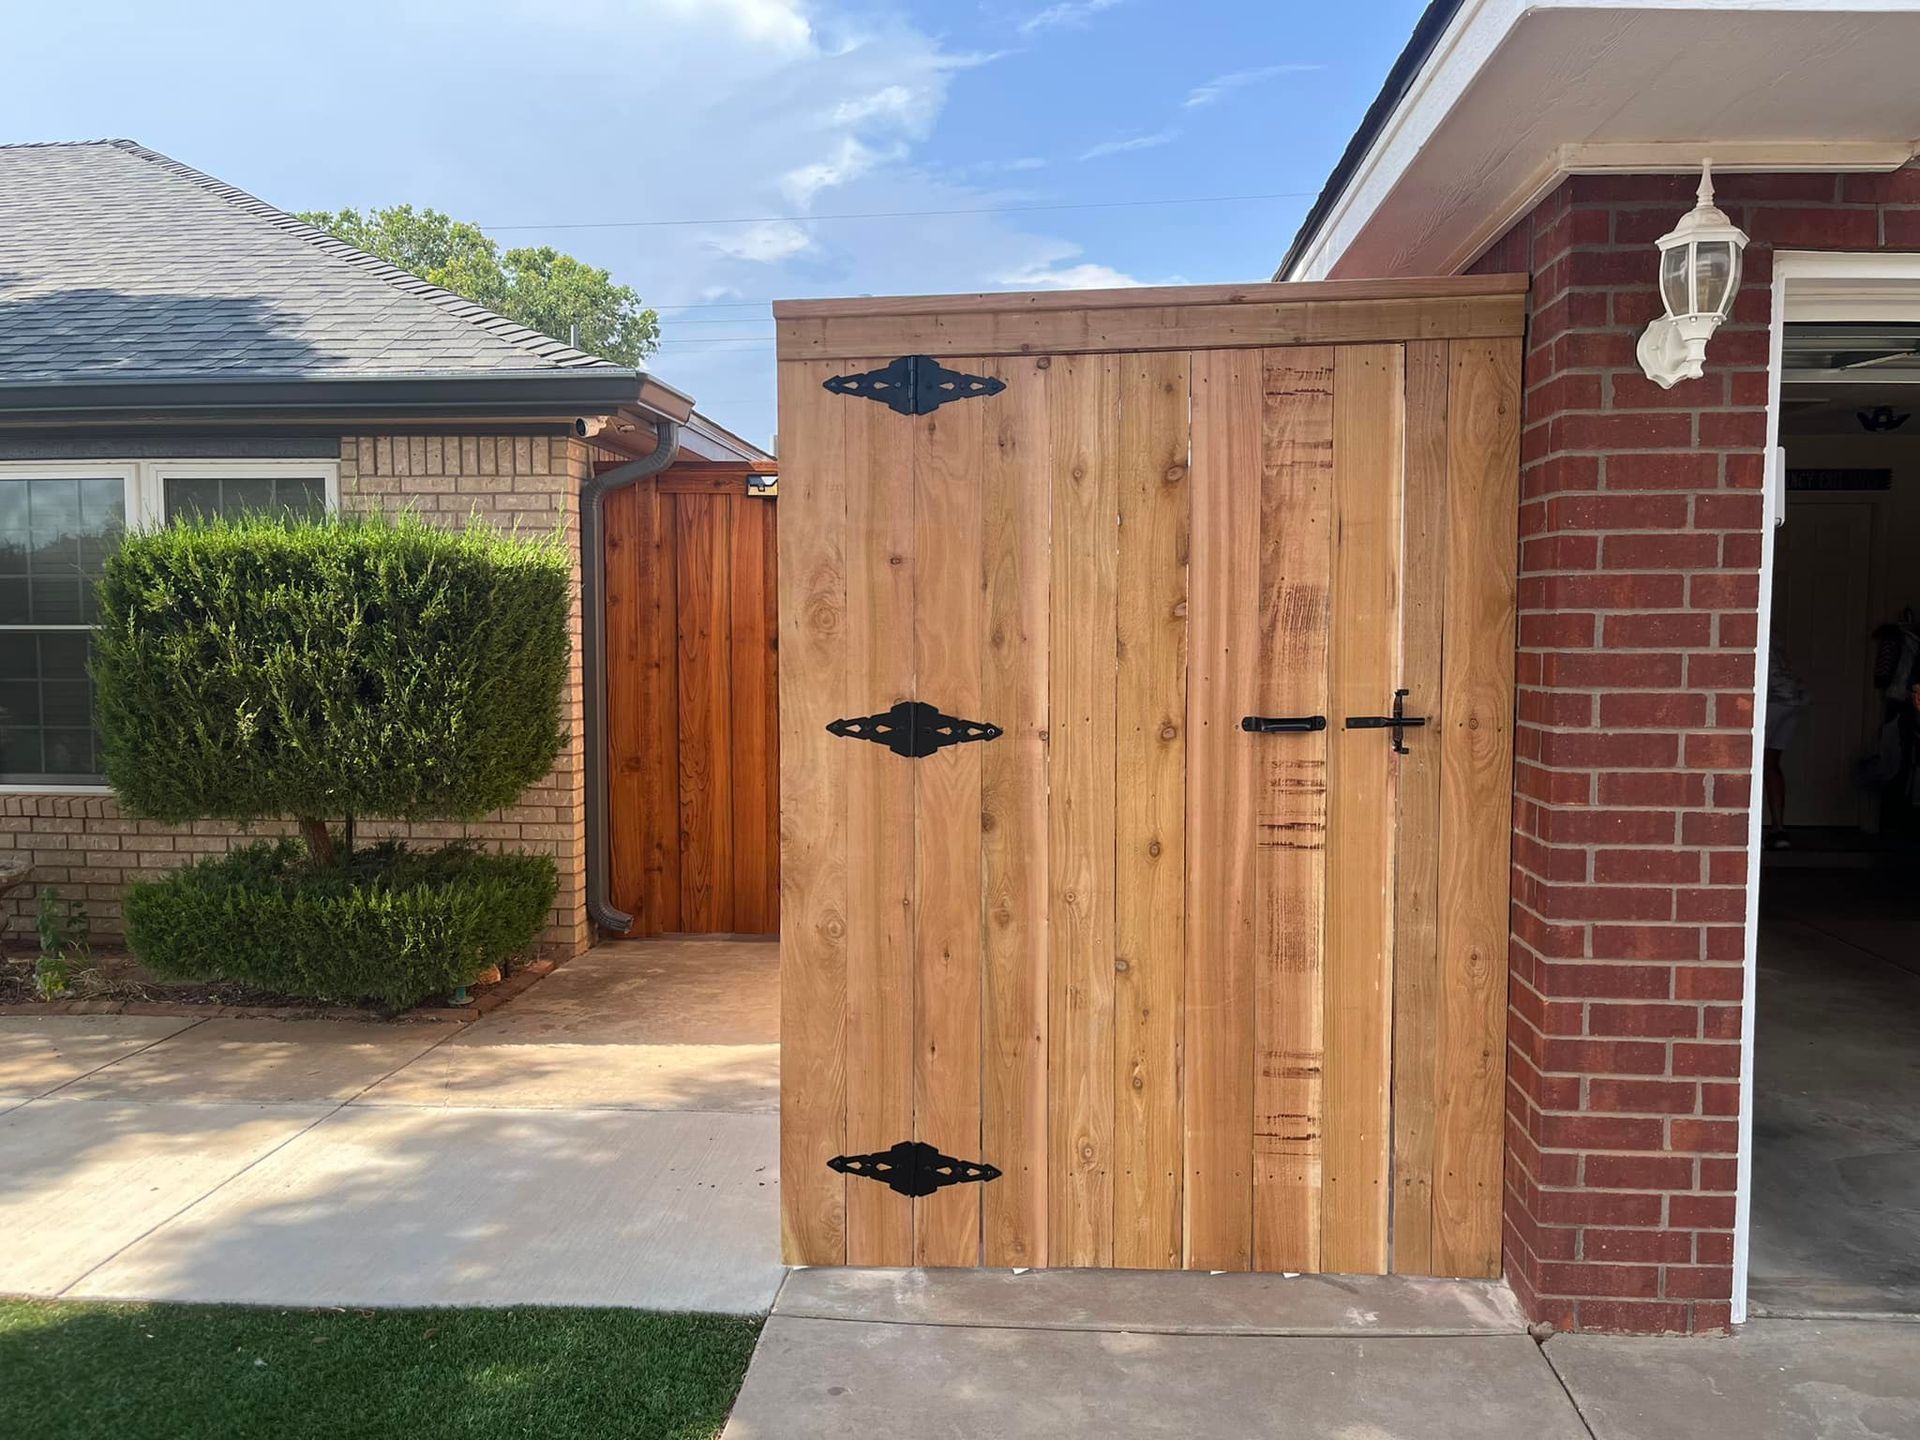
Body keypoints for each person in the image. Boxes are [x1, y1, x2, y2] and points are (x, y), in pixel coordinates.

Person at [1764, 643, 1808, 850]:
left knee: (1752, 764)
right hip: (1793, 698)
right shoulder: (1773, 634)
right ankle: (1778, 829)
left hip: (1773, 699)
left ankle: (1749, 833)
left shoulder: (1755, 625)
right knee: (1770, 764)